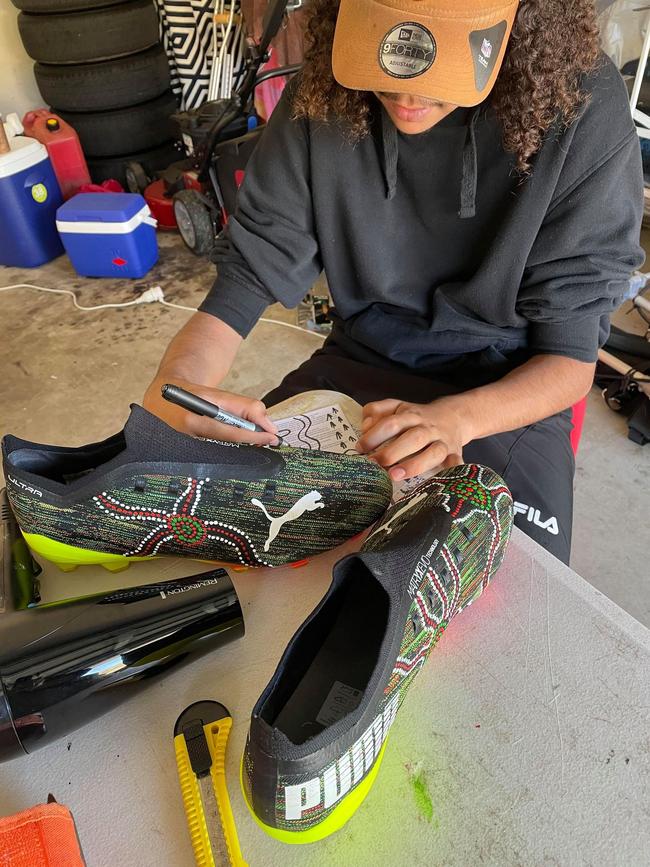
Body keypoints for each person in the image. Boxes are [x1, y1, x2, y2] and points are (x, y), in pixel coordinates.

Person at [144, 0, 644, 564]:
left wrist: (456, 419)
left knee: (484, 590)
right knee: (231, 544)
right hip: (362, 357)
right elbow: (250, 272)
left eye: (435, 77)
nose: (405, 98)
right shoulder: (328, 87)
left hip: (506, 384)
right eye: (383, 68)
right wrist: (178, 382)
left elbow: (570, 360)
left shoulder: (578, 98)